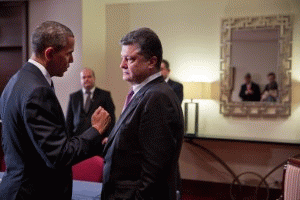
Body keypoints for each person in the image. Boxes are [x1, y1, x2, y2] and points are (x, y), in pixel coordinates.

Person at [0, 21, 111, 200]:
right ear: (50, 53)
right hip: (32, 192)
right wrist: (96, 130)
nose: (72, 60)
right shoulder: (37, 90)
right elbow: (59, 156)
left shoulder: (17, 79)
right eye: (69, 54)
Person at [101, 27, 184, 200]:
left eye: (129, 59)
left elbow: (155, 170)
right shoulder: (145, 92)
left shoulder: (157, 97)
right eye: (122, 58)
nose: (122, 65)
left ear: (152, 62)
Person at [66, 68, 115, 139]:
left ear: (94, 78)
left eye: (89, 77)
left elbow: (111, 118)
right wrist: (68, 139)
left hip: (99, 139)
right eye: (84, 77)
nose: (86, 79)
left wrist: (108, 136)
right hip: (78, 139)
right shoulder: (73, 97)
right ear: (81, 80)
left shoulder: (105, 95)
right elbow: (69, 120)